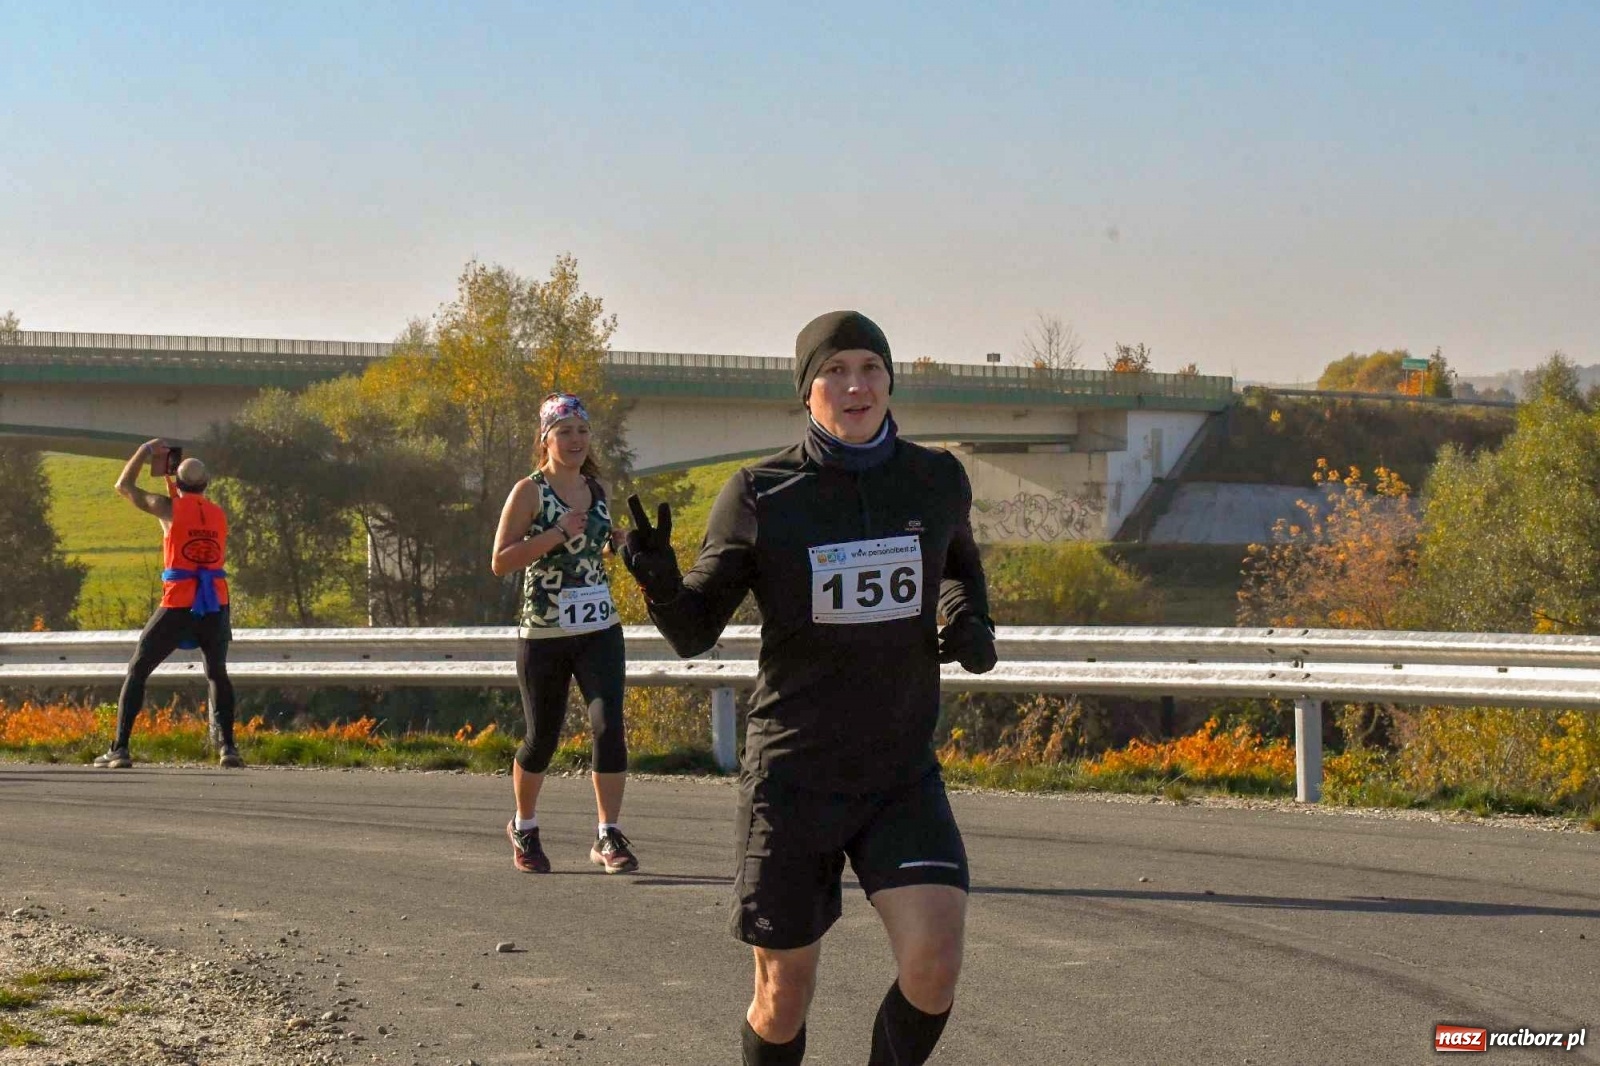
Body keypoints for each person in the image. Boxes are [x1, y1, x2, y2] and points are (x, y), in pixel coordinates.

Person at [621, 311, 997, 1065]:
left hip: (899, 772)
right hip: (793, 775)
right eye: (834, 370)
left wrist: (966, 616)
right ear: (807, 391)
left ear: (890, 380)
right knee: (782, 995)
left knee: (934, 966)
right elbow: (695, 628)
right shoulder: (763, 494)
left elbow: (955, 563)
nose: (854, 385)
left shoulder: (935, 478)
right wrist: (659, 584)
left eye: (869, 367)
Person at [491, 393, 637, 875]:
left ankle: (608, 834)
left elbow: (595, 549)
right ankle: (524, 826)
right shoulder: (529, 491)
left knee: (608, 725)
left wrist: (622, 544)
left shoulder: (598, 489)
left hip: (599, 627)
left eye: (582, 431)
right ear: (546, 439)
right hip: (545, 633)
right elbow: (501, 561)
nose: (575, 441)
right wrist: (554, 533)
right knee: (542, 738)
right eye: (565, 432)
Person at [95, 439, 242, 770]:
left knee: (138, 669)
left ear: (177, 482)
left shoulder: (169, 509)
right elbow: (194, 521)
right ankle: (229, 749)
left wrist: (146, 451)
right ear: (206, 484)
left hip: (180, 601)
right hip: (216, 602)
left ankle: (120, 749)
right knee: (217, 674)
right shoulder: (219, 514)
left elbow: (124, 486)